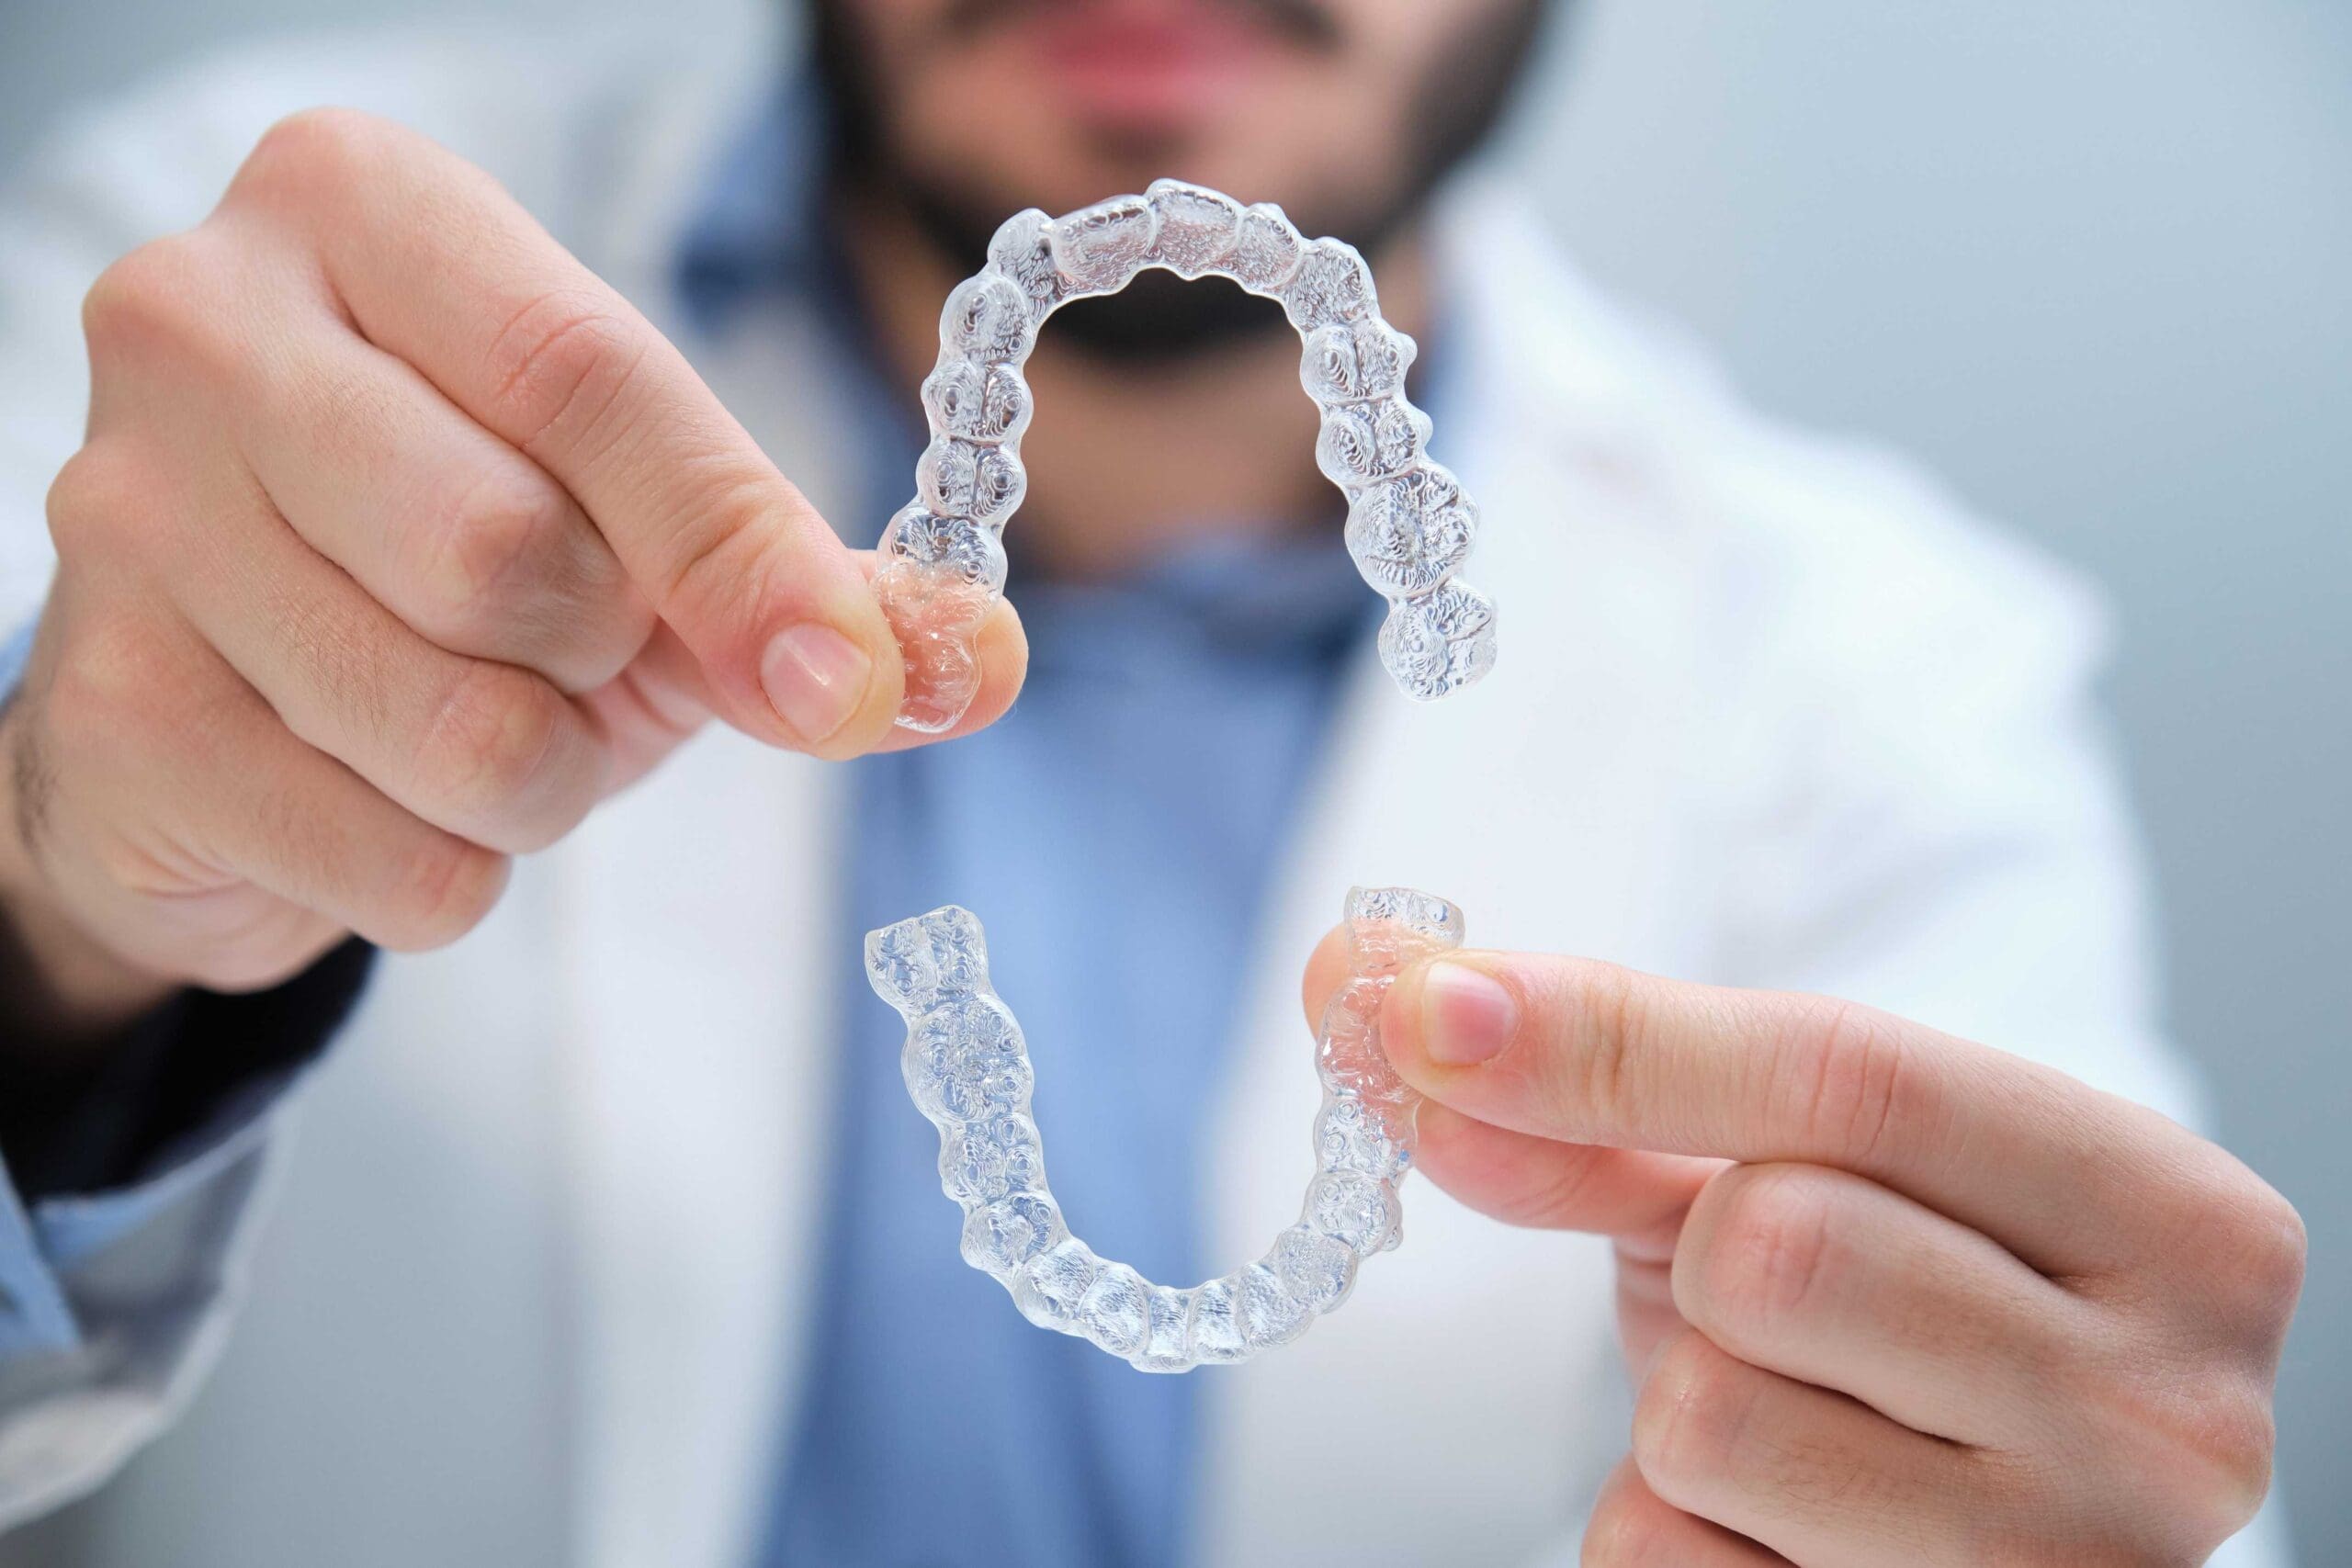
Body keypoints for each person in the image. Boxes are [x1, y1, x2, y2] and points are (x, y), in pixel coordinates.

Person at [0, 1, 2303, 1564]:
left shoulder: (1880, 669)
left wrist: (2043, 1476)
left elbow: (2071, 1441)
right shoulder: (211, 304)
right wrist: (53, 906)